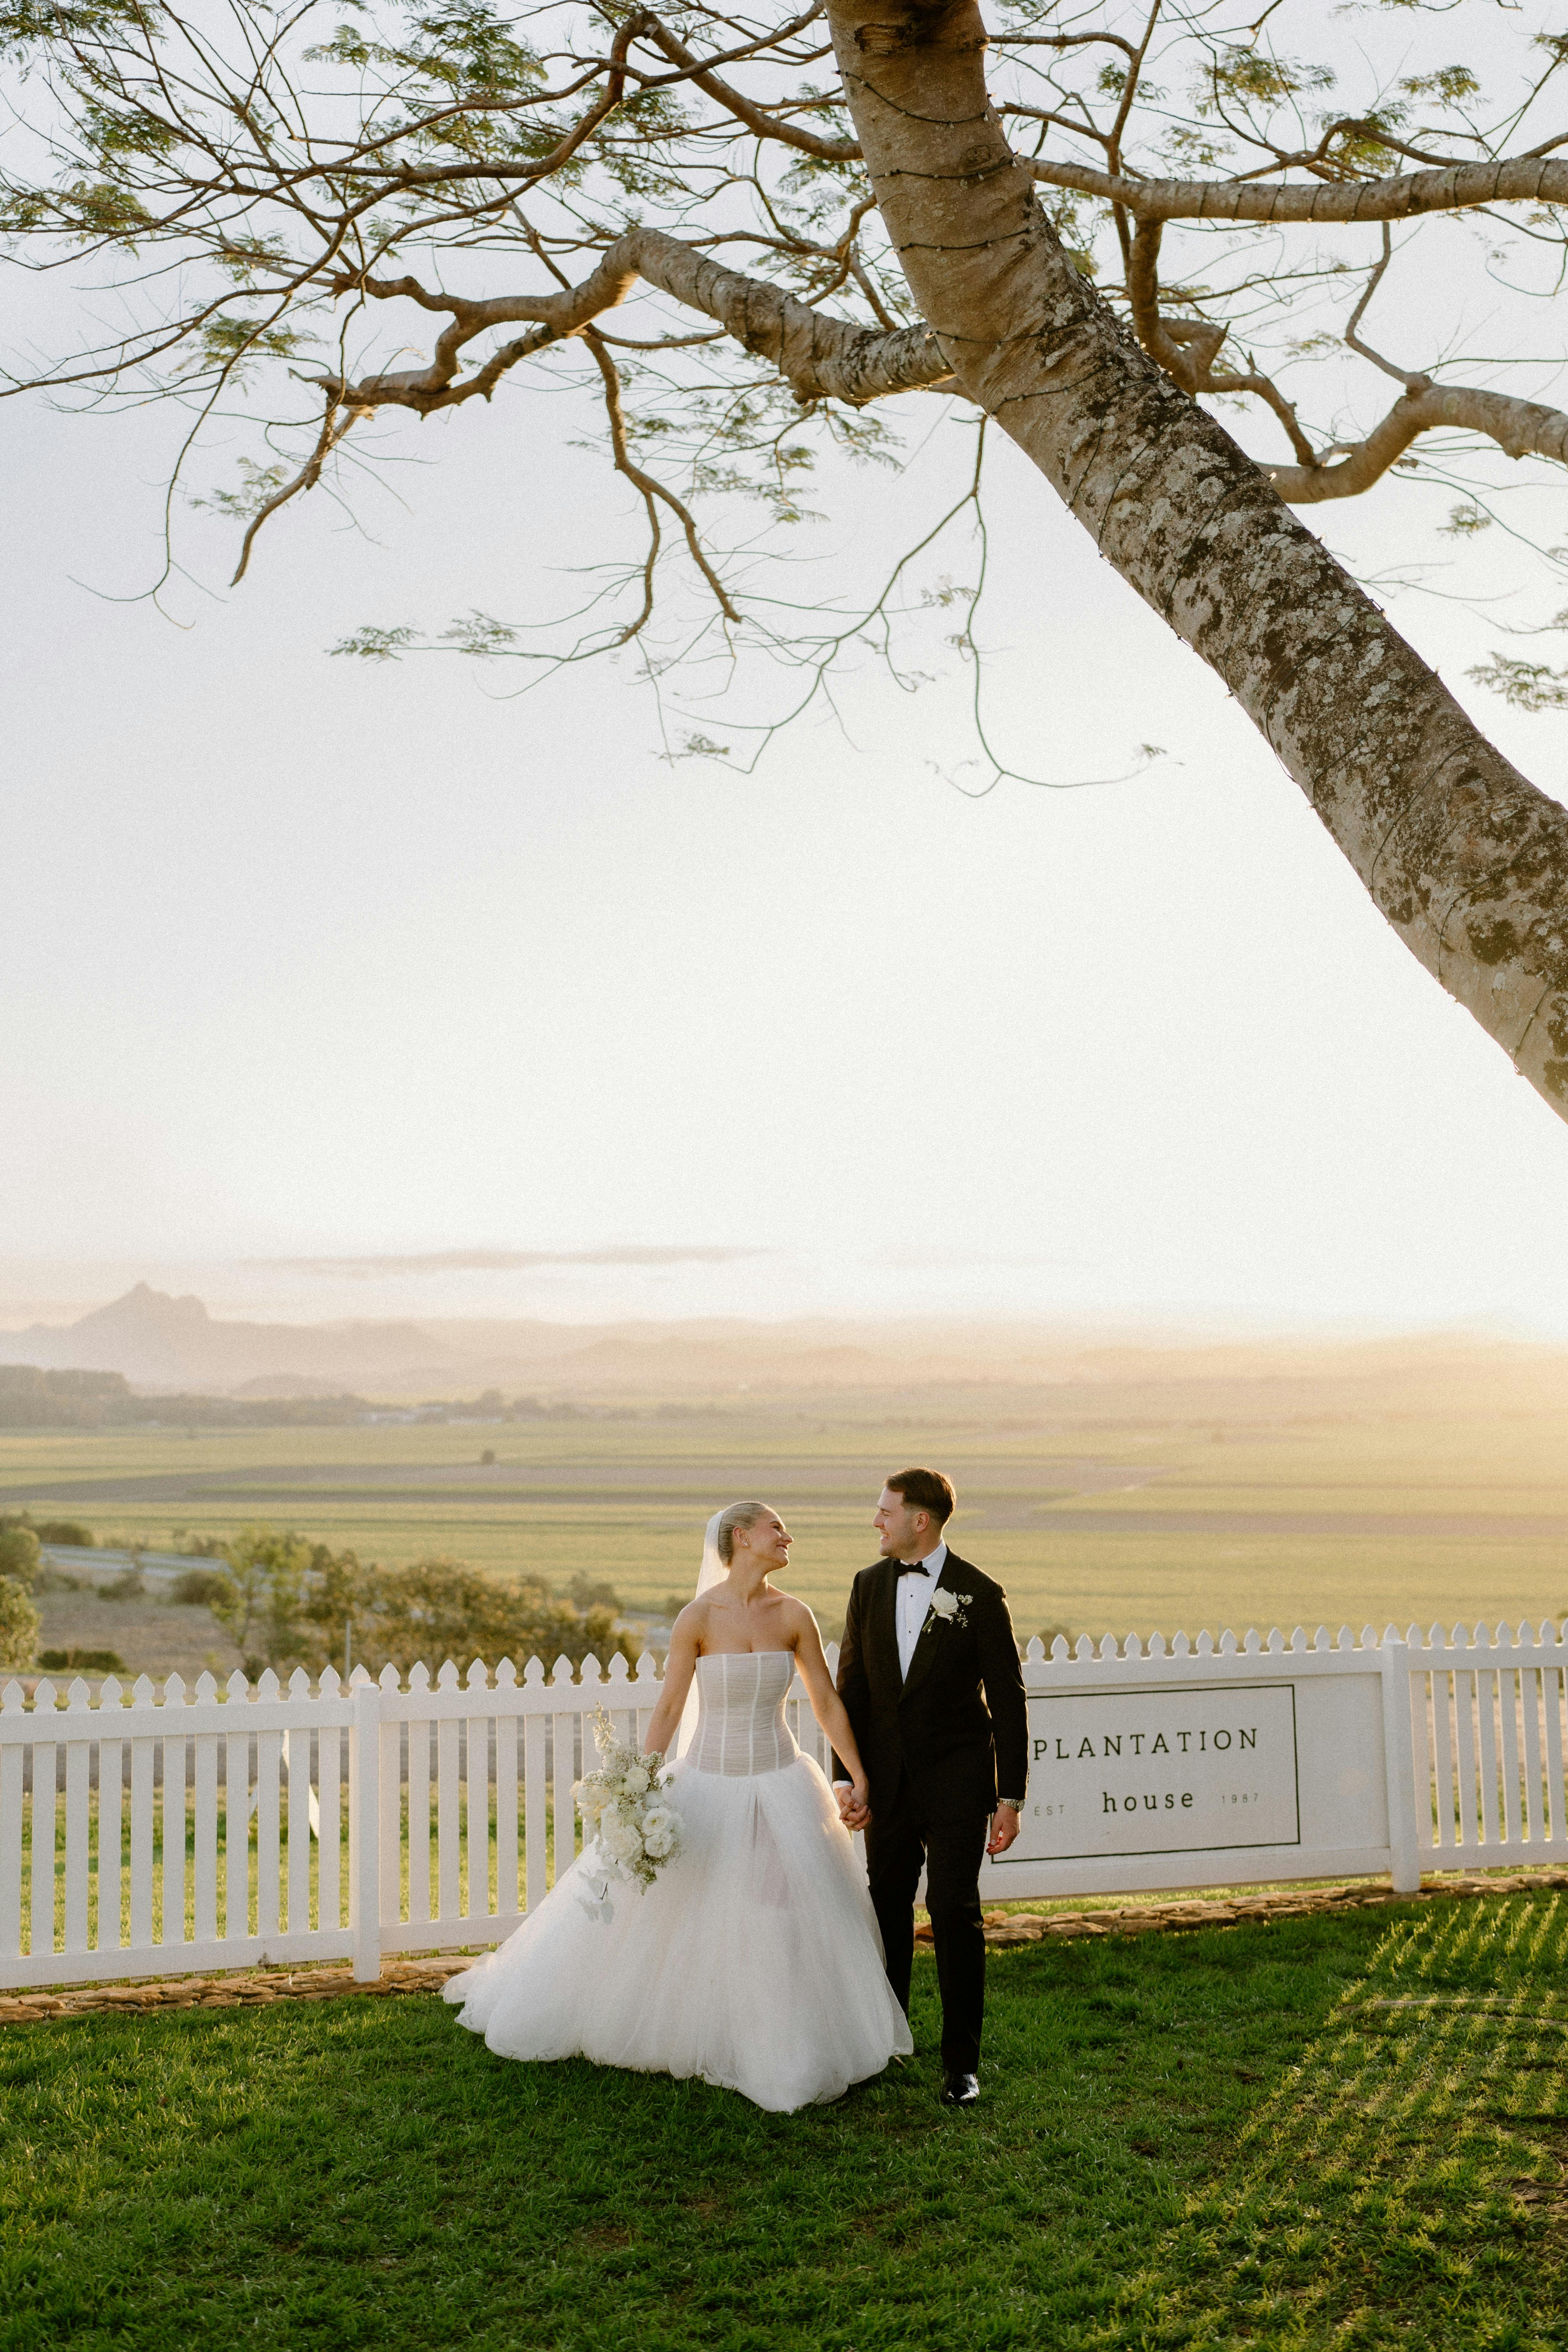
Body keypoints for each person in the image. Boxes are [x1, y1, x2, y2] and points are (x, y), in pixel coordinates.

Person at [443, 1500, 911, 2112]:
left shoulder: (794, 1614)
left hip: (781, 1782)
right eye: (777, 1527)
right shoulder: (697, 1617)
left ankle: (782, 2037)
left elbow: (824, 1700)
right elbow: (668, 1708)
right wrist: (637, 1783)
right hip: (708, 1781)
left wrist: (857, 1774)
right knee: (686, 1910)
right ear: (742, 1537)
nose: (787, 1535)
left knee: (782, 1907)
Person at [832, 1468, 1028, 2108]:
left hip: (957, 1783)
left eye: (886, 1511)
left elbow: (1008, 1700)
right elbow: (851, 1690)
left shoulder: (980, 1593)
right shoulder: (866, 1587)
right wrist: (847, 1777)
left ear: (922, 1520)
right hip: (884, 1786)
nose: (876, 1521)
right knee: (886, 1907)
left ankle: (961, 2063)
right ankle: (888, 2042)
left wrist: (1009, 1797)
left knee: (953, 1911)